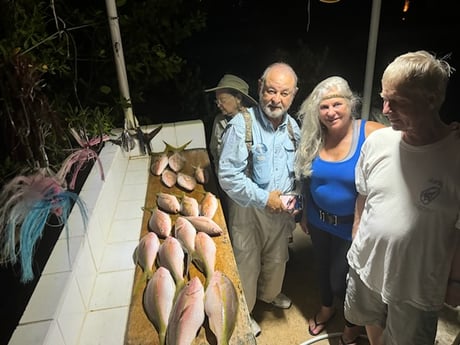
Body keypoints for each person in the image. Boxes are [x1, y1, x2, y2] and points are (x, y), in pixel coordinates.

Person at [344, 50, 460, 345]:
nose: (384, 109)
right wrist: (357, 232)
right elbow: (363, 193)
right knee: (367, 316)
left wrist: (456, 280)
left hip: (417, 284)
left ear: (432, 100)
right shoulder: (379, 141)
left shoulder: (455, 155)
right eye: (383, 98)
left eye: (397, 102)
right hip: (367, 264)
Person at [294, 76, 386, 344]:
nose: (331, 112)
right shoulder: (314, 136)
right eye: (324, 106)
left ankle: (351, 324)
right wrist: (305, 213)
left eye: (337, 104)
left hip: (352, 225)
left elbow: (411, 137)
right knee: (322, 269)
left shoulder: (369, 131)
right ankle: (326, 308)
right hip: (318, 220)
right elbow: (307, 179)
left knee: (341, 280)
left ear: (350, 103)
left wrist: (443, 133)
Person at [218, 62, 301, 337]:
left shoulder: (293, 128)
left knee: (278, 260)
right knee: (247, 264)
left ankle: (270, 294)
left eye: (285, 93)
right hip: (249, 211)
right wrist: (265, 198)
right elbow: (228, 176)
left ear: (294, 95)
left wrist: (295, 205)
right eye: (271, 91)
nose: (276, 99)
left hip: (281, 212)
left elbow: (299, 172)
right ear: (260, 87)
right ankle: (245, 312)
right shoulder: (242, 125)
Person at [205, 74, 258, 174]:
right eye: (217, 101)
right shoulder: (219, 121)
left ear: (238, 98)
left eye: (222, 100)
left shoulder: (256, 121)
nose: (218, 105)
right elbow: (214, 152)